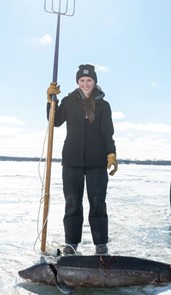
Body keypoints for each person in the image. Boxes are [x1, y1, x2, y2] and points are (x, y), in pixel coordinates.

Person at [46, 64, 118, 255]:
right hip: (71, 161)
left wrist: (111, 153)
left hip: (96, 162)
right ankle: (71, 244)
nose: (86, 84)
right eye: (82, 81)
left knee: (97, 203)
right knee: (72, 203)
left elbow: (107, 133)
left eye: (89, 81)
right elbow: (55, 121)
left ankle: (100, 245)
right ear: (78, 82)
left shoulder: (103, 105)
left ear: (95, 82)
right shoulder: (69, 101)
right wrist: (51, 101)